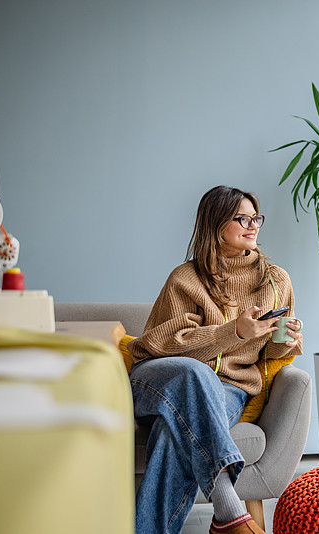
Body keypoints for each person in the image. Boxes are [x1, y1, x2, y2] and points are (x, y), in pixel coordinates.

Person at [127, 185, 303, 534]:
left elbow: (271, 354)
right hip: (158, 379)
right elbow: (163, 343)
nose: (253, 225)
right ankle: (229, 511)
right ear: (215, 223)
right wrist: (233, 332)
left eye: (256, 218)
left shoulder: (275, 280)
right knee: (195, 373)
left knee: (170, 432)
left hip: (229, 389)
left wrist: (288, 342)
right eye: (242, 218)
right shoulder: (186, 278)